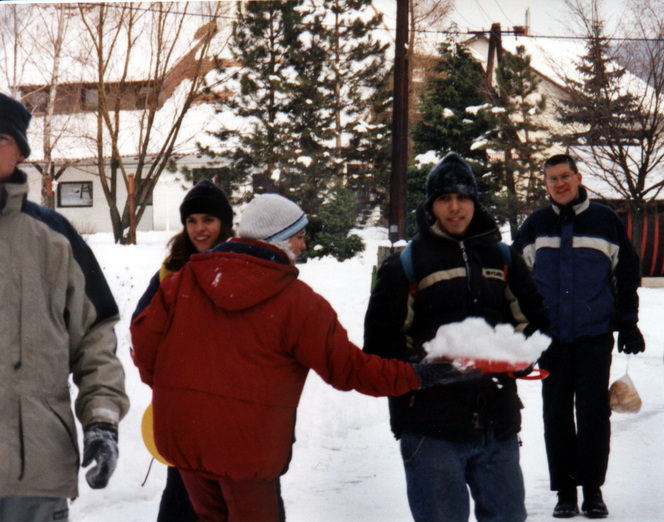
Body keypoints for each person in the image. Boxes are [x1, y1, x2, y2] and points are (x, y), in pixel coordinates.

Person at [130, 192, 472, 522]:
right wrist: (417, 375)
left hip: (184, 434)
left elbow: (144, 340)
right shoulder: (297, 303)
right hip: (246, 448)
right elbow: (349, 369)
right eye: (298, 237)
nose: (303, 246)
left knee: (209, 516)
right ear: (277, 240)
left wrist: (171, 391)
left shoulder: (183, 281)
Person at [364, 152, 550, 522]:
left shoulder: (502, 258)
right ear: (430, 205)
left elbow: (534, 320)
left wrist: (519, 354)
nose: (454, 207)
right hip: (431, 428)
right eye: (444, 198)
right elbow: (380, 344)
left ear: (474, 202)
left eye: (463, 197)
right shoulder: (406, 264)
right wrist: (424, 370)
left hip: (496, 424)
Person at [0, 93, 129, 521]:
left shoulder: (55, 238)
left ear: (20, 152)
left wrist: (102, 421)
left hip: (35, 472)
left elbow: (95, 337)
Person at [512, 153, 643, 519]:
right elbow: (517, 282)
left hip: (594, 335)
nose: (559, 184)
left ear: (578, 177)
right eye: (552, 179)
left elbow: (626, 273)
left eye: (565, 176)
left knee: (593, 413)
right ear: (545, 185)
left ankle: (592, 490)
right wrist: (523, 332)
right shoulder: (535, 225)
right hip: (551, 337)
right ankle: (566, 492)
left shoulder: (605, 220)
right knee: (556, 414)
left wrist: (628, 322)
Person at [132, 178, 234, 522]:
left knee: (231, 495)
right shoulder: (171, 270)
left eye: (208, 220)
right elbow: (141, 327)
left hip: (232, 401)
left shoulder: (242, 265)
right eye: (192, 221)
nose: (199, 229)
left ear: (224, 223)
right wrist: (162, 377)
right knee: (181, 491)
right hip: (185, 402)